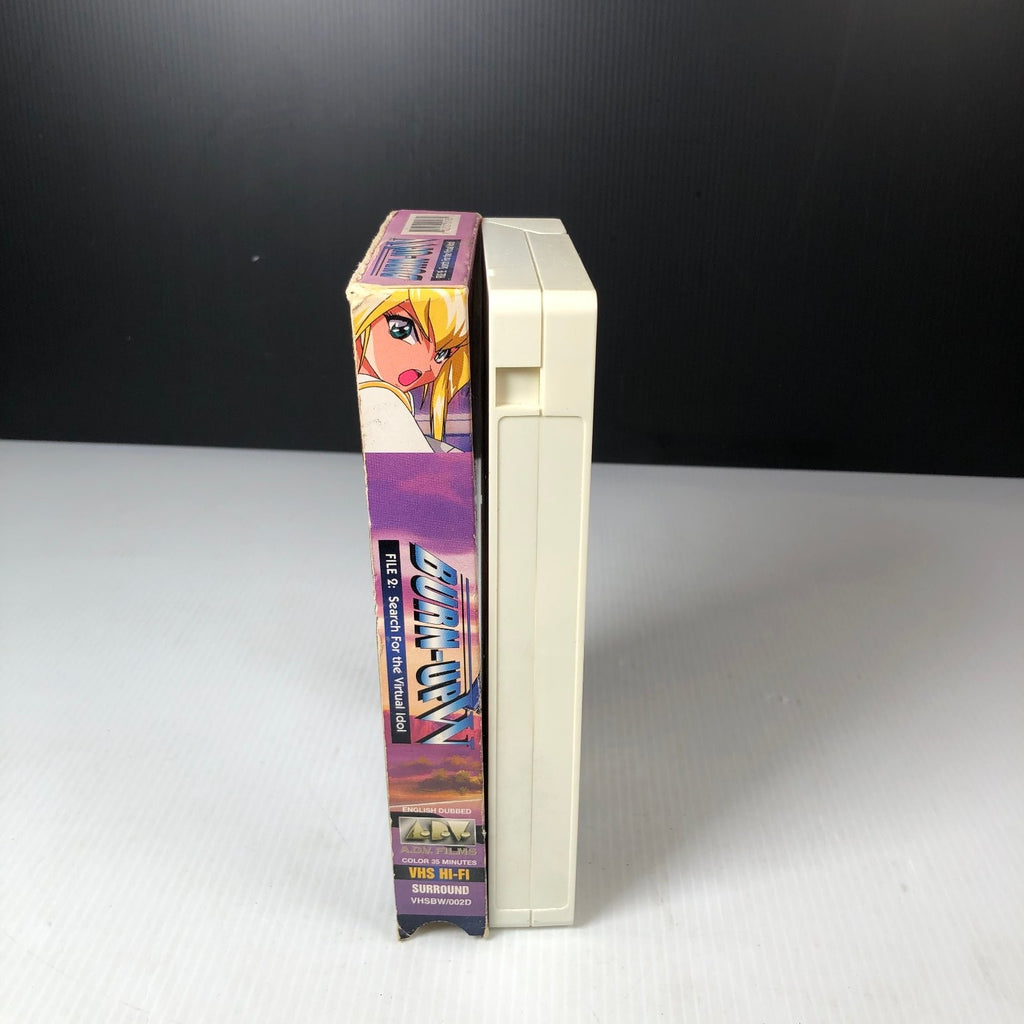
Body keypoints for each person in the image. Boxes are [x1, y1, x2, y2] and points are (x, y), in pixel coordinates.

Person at [350, 289, 470, 453]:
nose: (424, 366)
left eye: (442, 355)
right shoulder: (378, 394)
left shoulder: (389, 395)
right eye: (401, 330)